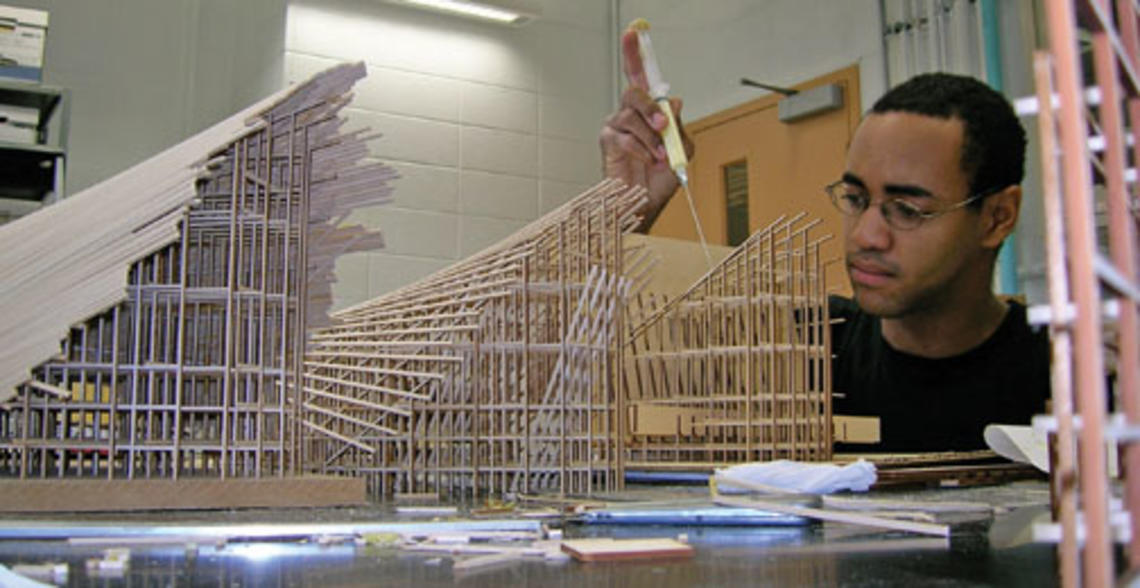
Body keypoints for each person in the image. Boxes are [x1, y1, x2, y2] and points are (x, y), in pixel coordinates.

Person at [600, 29, 1050, 452]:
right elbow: (596, 364)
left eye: (907, 210)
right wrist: (626, 211)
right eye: (855, 198)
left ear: (997, 217)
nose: (866, 234)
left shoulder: (1069, 374)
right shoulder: (798, 347)